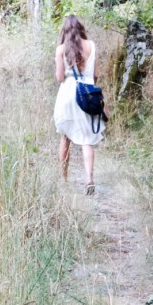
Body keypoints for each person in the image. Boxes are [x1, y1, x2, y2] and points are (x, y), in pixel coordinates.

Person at [53, 14, 105, 194]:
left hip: (68, 93)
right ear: (81, 28)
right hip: (88, 93)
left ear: (64, 31)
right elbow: (96, 74)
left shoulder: (61, 49)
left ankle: (63, 179)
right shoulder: (91, 46)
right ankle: (89, 180)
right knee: (87, 140)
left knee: (65, 137)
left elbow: (60, 78)